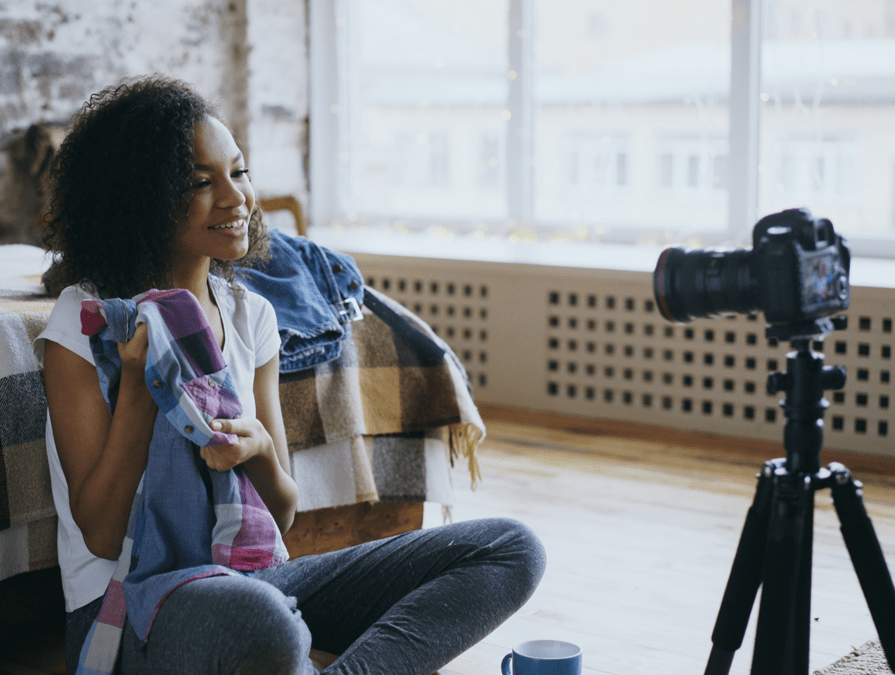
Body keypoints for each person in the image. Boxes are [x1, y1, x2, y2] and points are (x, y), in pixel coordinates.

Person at [36, 74, 546, 675]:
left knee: (511, 549)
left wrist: (256, 452)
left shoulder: (252, 315)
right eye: (201, 182)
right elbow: (98, 534)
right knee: (268, 625)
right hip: (133, 607)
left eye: (239, 172)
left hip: (254, 577)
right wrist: (142, 396)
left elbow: (281, 513)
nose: (236, 200)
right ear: (139, 199)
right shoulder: (87, 322)